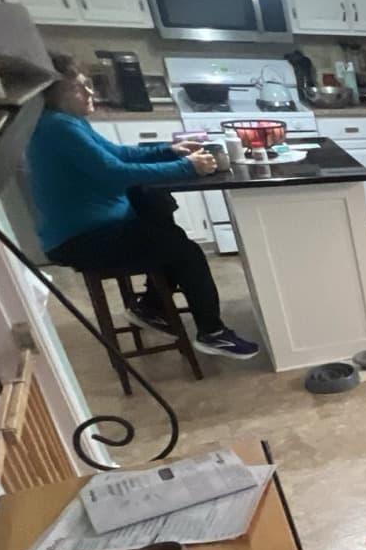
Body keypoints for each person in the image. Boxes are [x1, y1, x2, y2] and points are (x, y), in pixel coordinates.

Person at [26, 55, 260, 359]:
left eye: (88, 86)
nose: (89, 94)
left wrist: (168, 151)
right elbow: (115, 171)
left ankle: (150, 307)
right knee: (185, 251)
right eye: (77, 89)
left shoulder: (67, 122)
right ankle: (212, 332)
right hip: (82, 239)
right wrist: (186, 167)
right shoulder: (58, 128)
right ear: (51, 94)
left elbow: (119, 153)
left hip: (100, 226)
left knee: (158, 210)